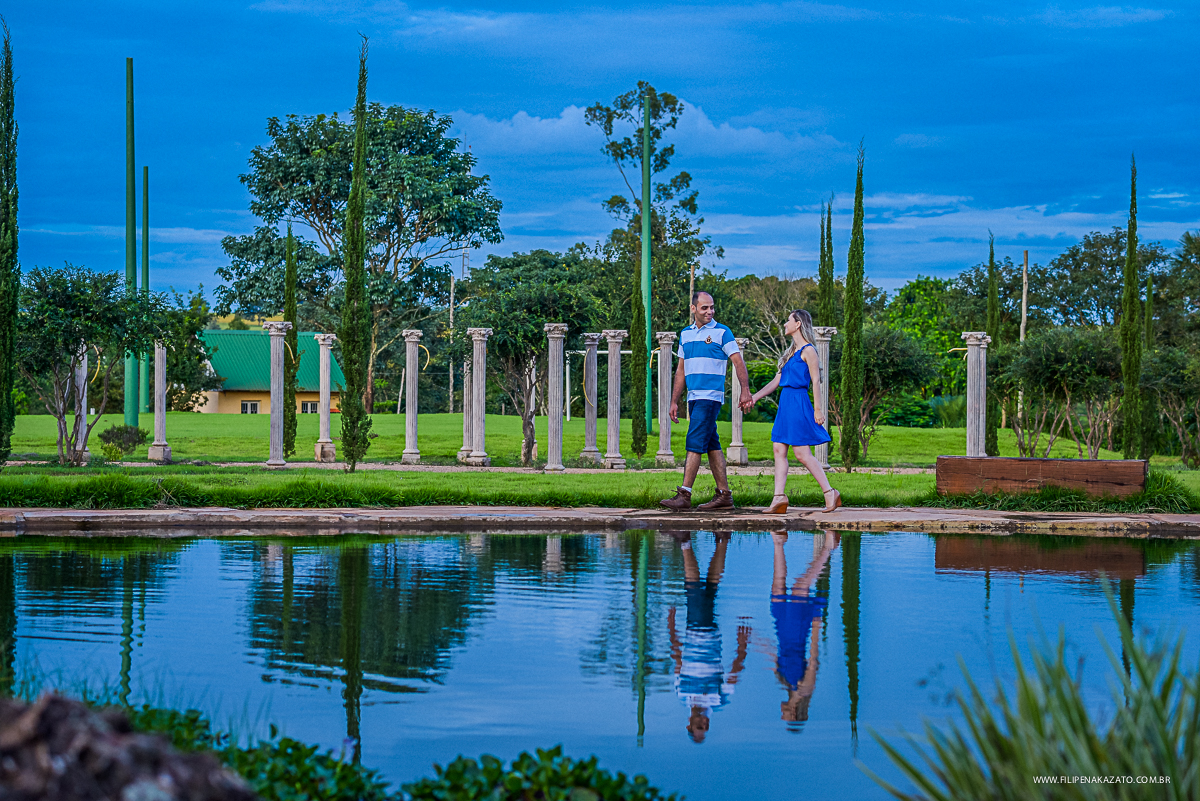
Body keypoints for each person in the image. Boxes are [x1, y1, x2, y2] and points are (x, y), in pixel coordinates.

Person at [660, 292, 752, 511]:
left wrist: (745, 391)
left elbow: (738, 362)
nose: (710, 311)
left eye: (712, 307)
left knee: (694, 442)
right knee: (712, 445)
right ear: (693, 308)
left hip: (709, 397)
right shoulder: (685, 334)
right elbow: (681, 370)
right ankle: (724, 496)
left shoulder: (722, 332)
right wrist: (674, 401)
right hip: (693, 397)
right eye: (704, 308)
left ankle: (684, 495)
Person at [748, 309, 841, 514]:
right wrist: (755, 397)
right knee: (778, 449)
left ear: (798, 324)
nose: (785, 324)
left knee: (801, 453)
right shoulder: (790, 353)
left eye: (788, 320)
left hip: (798, 402)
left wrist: (818, 410)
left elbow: (816, 381)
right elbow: (776, 381)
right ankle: (779, 498)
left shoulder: (809, 351)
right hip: (785, 403)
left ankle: (830, 492)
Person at [666, 531, 750, 743]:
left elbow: (678, 661)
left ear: (689, 723)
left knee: (710, 588)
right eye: (705, 726)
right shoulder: (718, 700)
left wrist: (672, 628)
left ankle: (722, 540)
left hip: (692, 632)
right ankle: (686, 542)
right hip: (708, 636)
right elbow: (734, 672)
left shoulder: (682, 694)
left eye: (699, 725)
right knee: (694, 590)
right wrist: (742, 646)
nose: (704, 722)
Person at [770, 530, 835, 728]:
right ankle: (827, 548)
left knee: (778, 587)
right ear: (794, 714)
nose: (782, 715)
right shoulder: (805, 689)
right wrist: (816, 623)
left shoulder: (786, 683)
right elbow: (813, 660)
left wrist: (754, 641)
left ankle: (778, 541)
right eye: (786, 718)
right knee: (800, 587)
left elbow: (776, 655)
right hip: (796, 632)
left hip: (782, 631)